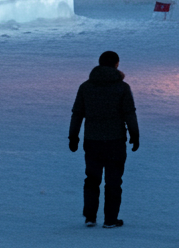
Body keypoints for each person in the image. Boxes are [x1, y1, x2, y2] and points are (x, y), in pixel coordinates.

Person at [69, 50, 140, 228]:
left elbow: (77, 114)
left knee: (92, 179)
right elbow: (129, 113)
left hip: (92, 140)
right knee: (113, 181)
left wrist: (73, 136)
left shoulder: (86, 87)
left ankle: (90, 217)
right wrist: (135, 134)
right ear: (117, 64)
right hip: (115, 140)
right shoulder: (122, 87)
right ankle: (110, 219)